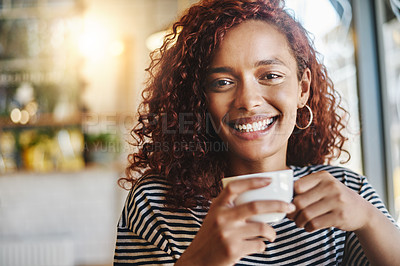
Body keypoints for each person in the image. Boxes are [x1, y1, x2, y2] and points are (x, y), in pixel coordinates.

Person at [114, 0, 400, 265]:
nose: (248, 101)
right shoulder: (155, 203)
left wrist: (370, 220)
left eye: (270, 76)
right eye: (223, 82)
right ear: (203, 100)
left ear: (302, 89)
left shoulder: (348, 194)